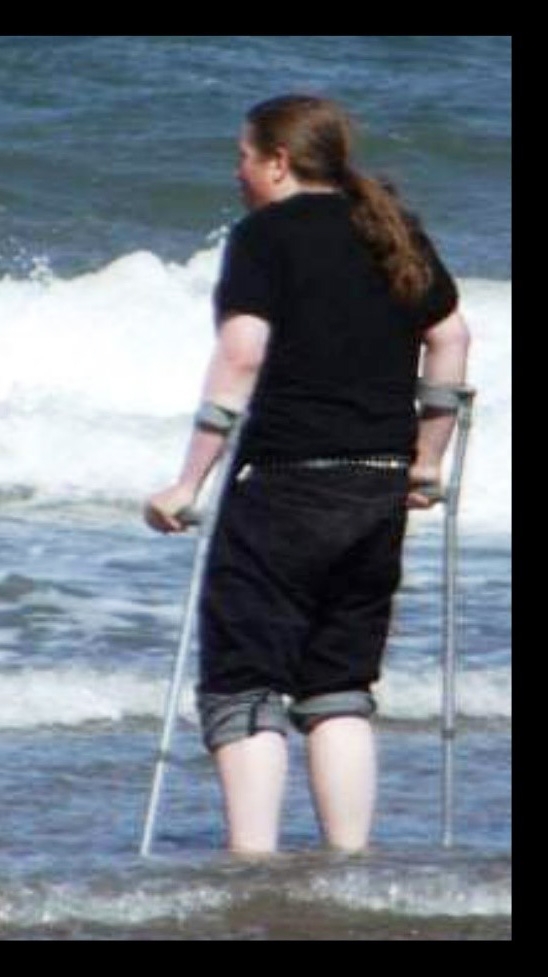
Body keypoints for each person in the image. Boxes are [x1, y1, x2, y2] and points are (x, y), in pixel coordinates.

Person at [143, 95, 470, 855]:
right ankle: (346, 864)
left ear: (279, 163)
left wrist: (188, 482)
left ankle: (254, 865)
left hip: (285, 482)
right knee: (339, 683)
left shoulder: (263, 237)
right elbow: (450, 336)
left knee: (245, 678)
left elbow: (243, 355)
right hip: (376, 485)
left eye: (244, 157)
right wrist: (426, 460)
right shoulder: (389, 229)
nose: (238, 171)